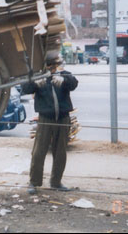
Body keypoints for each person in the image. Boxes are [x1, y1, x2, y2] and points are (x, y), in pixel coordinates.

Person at [22, 56, 78, 194]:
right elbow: (25, 88)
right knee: (38, 152)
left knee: (60, 153)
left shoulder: (63, 74)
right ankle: (34, 183)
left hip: (63, 118)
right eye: (49, 66)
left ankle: (56, 182)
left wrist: (64, 80)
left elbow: (74, 83)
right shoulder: (38, 75)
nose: (52, 68)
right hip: (45, 118)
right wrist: (35, 82)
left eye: (54, 66)